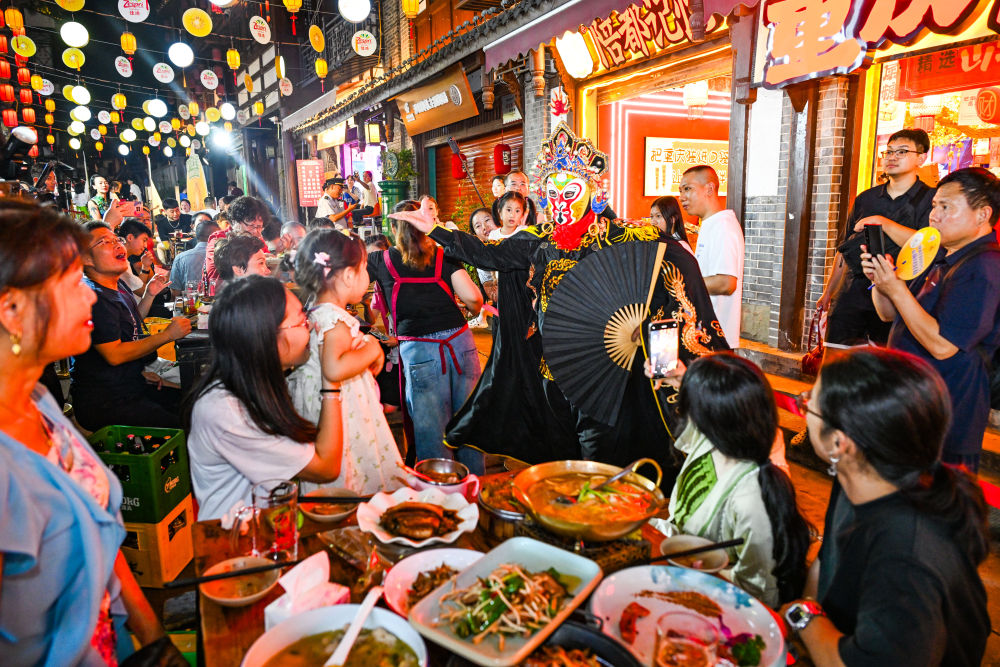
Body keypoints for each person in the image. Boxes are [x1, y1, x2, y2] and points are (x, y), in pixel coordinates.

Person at [391, 124, 727, 477]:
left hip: (603, 371)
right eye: (553, 193)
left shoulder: (622, 237)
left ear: (592, 192)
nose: (561, 202)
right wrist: (434, 230)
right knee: (561, 456)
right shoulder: (540, 239)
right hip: (553, 368)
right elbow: (489, 253)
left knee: (597, 458)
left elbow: (673, 265)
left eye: (570, 192)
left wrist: (661, 353)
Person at [0, 201, 170, 665]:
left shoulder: (40, 403)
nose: (90, 296)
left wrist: (153, 636)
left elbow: (99, 535)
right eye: (72, 282)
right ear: (12, 310)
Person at [783, 348, 989, 666]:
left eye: (811, 401)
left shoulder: (906, 551)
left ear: (840, 443)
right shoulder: (862, 478)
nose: (804, 405)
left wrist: (803, 618)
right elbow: (827, 561)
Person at [864, 167, 1000, 471]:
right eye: (934, 205)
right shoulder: (940, 257)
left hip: (945, 412)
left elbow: (943, 346)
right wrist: (880, 282)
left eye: (946, 207)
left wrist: (896, 289)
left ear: (982, 214)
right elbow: (888, 314)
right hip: (911, 402)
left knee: (934, 494)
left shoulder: (984, 267)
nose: (933, 215)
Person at [651, 354, 810, 607]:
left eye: (689, 404)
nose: (682, 410)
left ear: (711, 416)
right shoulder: (722, 437)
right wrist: (686, 380)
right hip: (675, 554)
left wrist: (702, 573)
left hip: (715, 599)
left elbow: (760, 593)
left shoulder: (752, 495)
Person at [184, 276, 345, 521]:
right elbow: (326, 467)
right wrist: (332, 381)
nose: (312, 326)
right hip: (235, 536)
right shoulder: (227, 410)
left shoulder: (259, 381)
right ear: (268, 338)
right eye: (302, 321)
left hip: (265, 523)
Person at [288, 229, 403, 494]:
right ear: (349, 276)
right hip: (341, 409)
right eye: (364, 269)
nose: (367, 277)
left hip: (320, 403)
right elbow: (335, 367)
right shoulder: (335, 319)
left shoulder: (316, 309)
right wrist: (373, 349)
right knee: (351, 464)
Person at [370, 200, 484, 468]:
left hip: (419, 349)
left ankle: (442, 487)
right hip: (460, 343)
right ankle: (475, 483)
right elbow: (474, 298)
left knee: (431, 428)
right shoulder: (444, 256)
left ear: (393, 230)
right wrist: (471, 311)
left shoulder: (380, 260)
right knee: (469, 420)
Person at [819, 129, 935, 345]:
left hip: (898, 296)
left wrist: (884, 223)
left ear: (921, 158)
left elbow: (926, 246)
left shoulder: (931, 200)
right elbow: (843, 249)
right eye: (888, 151)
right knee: (837, 357)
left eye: (902, 152)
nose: (892, 157)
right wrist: (829, 292)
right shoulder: (866, 198)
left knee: (885, 360)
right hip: (852, 293)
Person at [71, 222, 192, 430]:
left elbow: (133, 322)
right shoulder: (94, 298)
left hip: (131, 383)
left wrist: (149, 295)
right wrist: (167, 335)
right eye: (104, 242)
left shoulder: (116, 284)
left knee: (192, 403)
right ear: (86, 259)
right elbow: (115, 354)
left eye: (116, 239)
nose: (117, 244)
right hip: (106, 400)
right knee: (187, 423)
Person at [680, 164, 744, 348]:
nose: (682, 197)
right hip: (704, 334)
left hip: (716, 338)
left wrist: (681, 285)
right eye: (681, 191)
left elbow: (726, 283)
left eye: (688, 189)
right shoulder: (710, 225)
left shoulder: (723, 226)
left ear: (709, 189)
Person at [204, 195, 267, 295]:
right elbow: (217, 274)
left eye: (259, 227)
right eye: (251, 225)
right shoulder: (219, 239)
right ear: (235, 222)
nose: (256, 231)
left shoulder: (256, 239)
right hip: (222, 294)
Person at [171, 218, 219, 297]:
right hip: (220, 302)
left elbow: (175, 292)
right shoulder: (224, 255)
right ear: (216, 236)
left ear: (197, 236)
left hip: (191, 303)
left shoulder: (181, 258)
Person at [116, 218, 156, 297]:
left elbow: (138, 286)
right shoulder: (119, 263)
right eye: (144, 240)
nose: (145, 246)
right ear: (130, 238)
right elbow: (142, 292)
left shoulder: (125, 260)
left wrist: (145, 267)